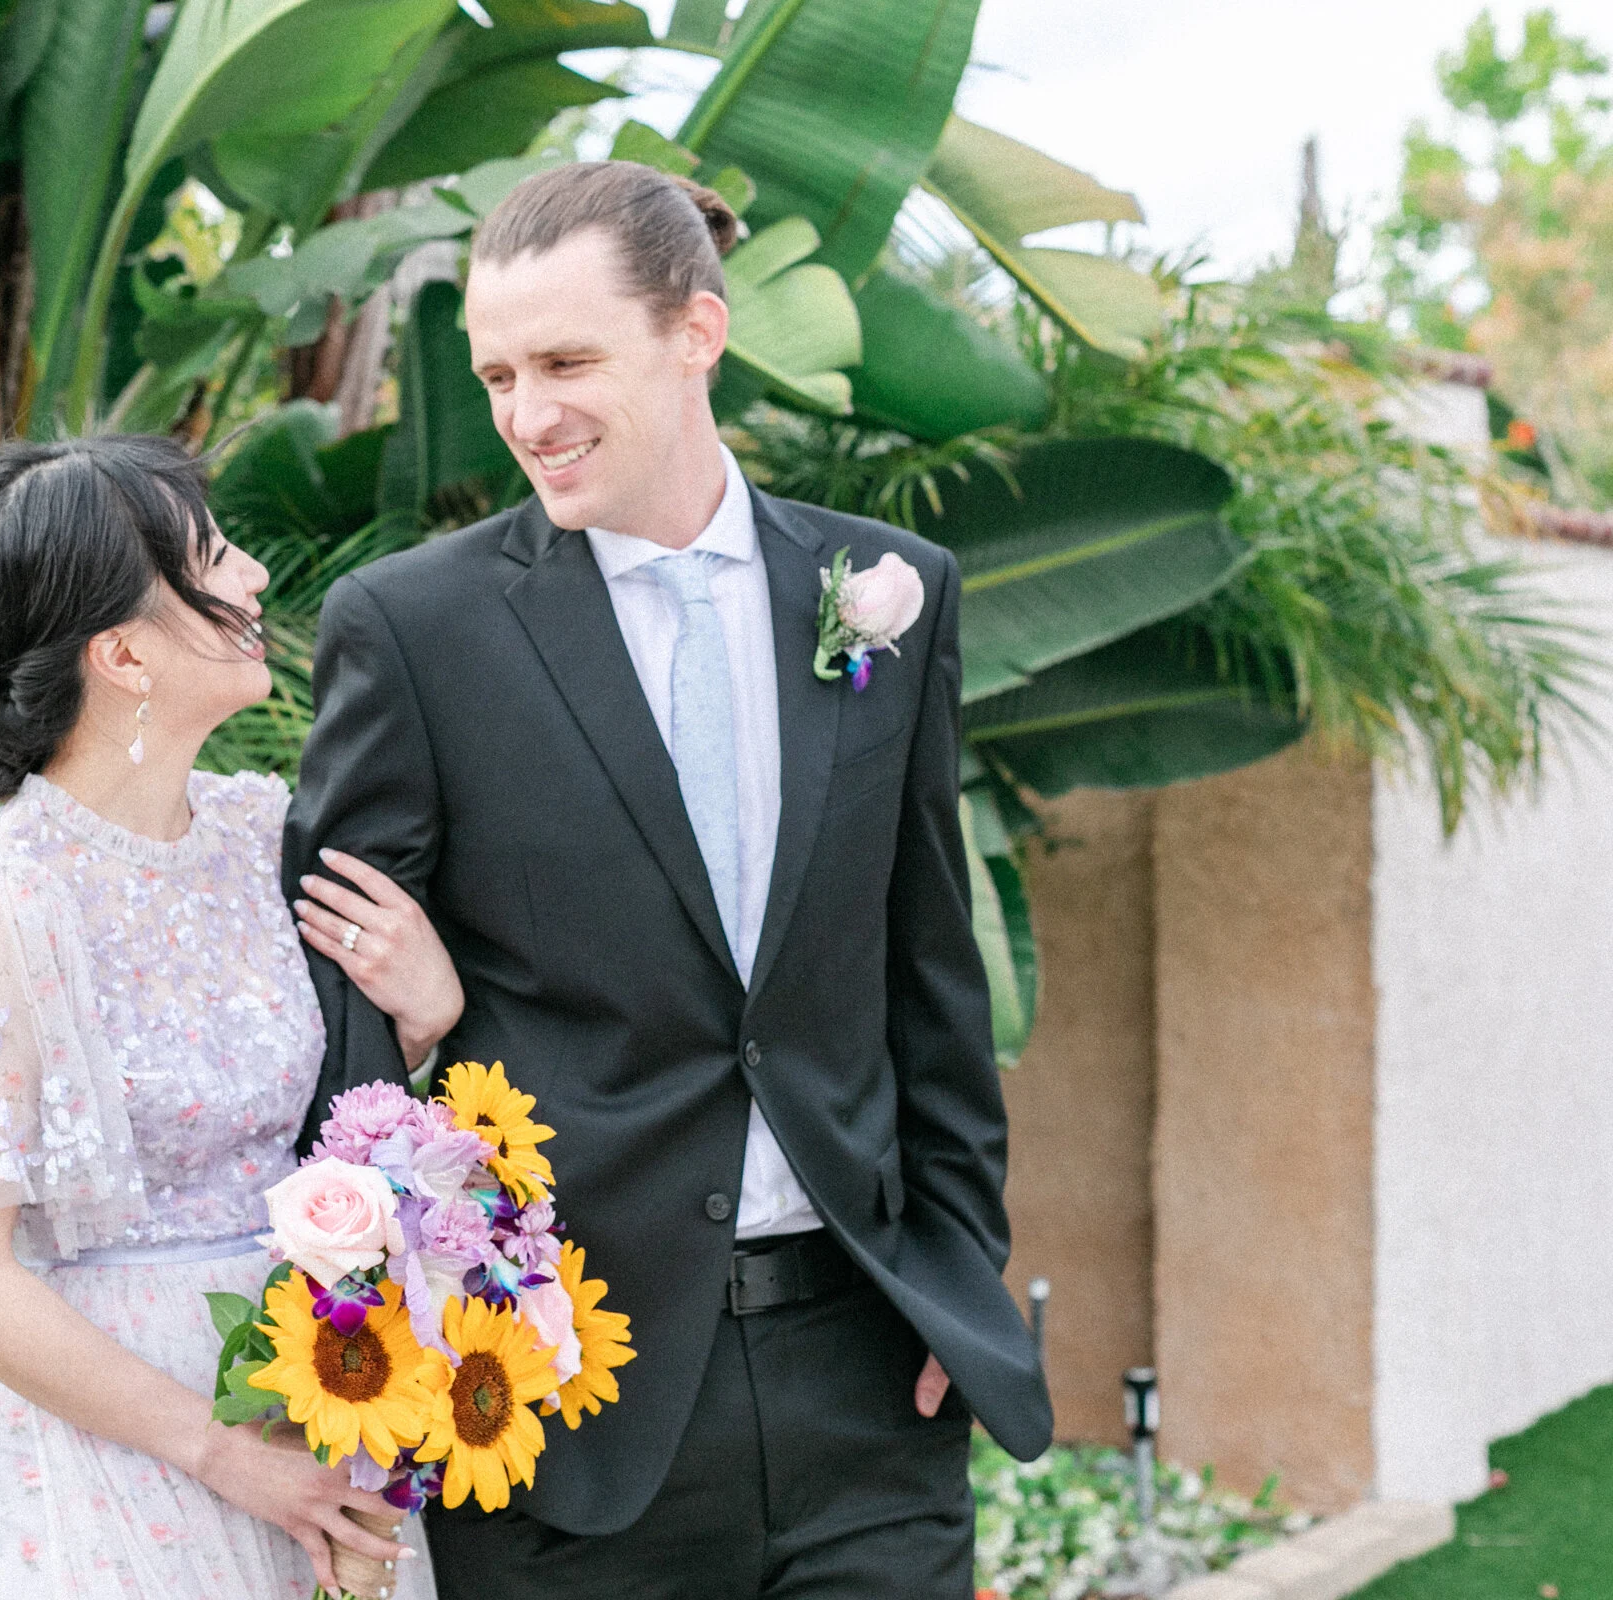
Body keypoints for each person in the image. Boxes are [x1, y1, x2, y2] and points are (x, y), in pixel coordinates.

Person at [283, 161, 1055, 1598]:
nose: (528, 415)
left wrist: (955, 1275)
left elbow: (926, 969)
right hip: (563, 1405)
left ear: (697, 331)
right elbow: (339, 1037)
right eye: (499, 373)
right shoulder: (412, 630)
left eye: (569, 360)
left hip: (864, 1382)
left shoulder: (889, 591)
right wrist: (382, 1337)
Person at [0, 436, 458, 1598]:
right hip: (121, 1457)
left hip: (313, 1390)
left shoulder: (264, 835)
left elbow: (317, 1120)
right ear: (124, 653)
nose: (252, 578)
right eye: (215, 556)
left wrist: (422, 1025)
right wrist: (218, 1450)